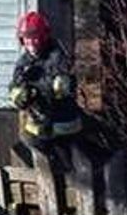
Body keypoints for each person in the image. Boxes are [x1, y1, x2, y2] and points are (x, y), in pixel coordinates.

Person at [9, 10, 82, 146]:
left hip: (63, 123)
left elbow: (61, 87)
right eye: (26, 38)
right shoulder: (23, 62)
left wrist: (34, 89)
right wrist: (18, 95)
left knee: (70, 154)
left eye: (35, 37)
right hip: (38, 125)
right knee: (27, 143)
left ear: (43, 36)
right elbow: (14, 84)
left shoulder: (57, 57)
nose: (31, 42)